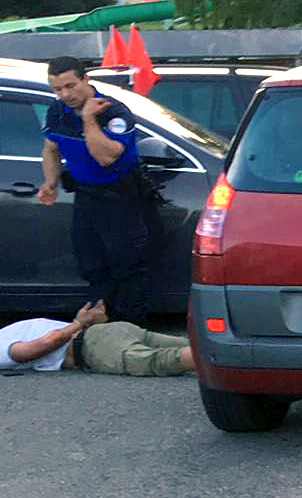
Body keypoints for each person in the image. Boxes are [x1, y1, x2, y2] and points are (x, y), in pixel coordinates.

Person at [38, 56, 158, 324]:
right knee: (92, 265)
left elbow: (106, 157)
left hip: (120, 195)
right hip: (86, 195)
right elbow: (51, 148)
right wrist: (50, 181)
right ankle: (101, 327)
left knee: (128, 266)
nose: (65, 94)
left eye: (70, 86)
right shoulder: (57, 110)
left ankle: (130, 329)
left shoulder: (113, 111)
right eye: (57, 89)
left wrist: (89, 120)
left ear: (86, 80)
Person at [1, 301, 194, 377]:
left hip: (93, 347)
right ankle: (220, 351)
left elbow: (49, 342)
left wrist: (79, 322)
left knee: (160, 361)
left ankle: (221, 361)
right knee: (191, 345)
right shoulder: (10, 330)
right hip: (109, 330)